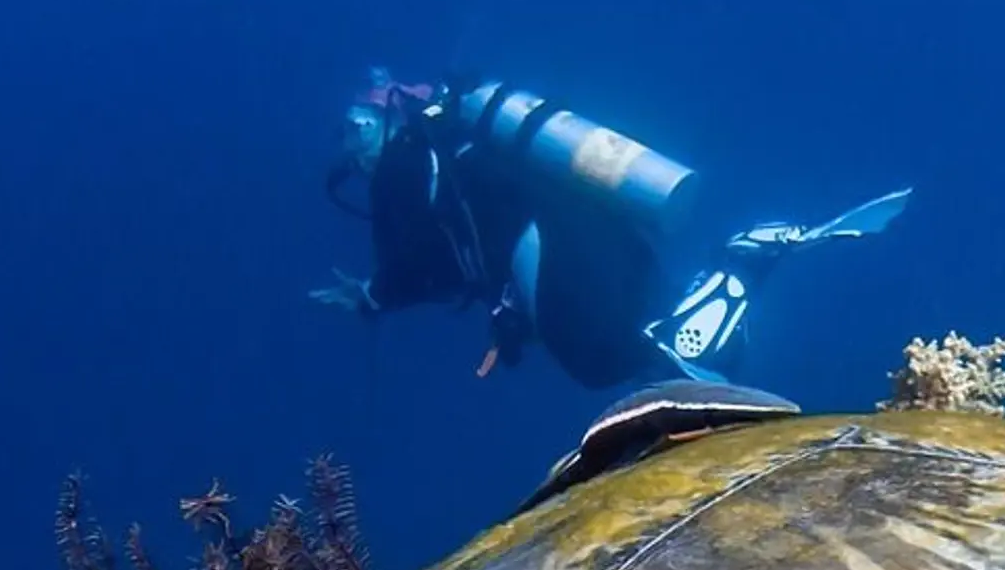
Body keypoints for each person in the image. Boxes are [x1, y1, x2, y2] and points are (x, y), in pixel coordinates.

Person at [313, 71, 910, 389]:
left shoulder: (403, 161)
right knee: (661, 336)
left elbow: (425, 261)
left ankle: (741, 263)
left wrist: (372, 296)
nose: (352, 150)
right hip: (596, 220)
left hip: (544, 238)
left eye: (353, 130)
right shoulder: (464, 142)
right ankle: (736, 272)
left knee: (601, 362)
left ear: (376, 121)